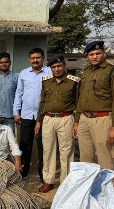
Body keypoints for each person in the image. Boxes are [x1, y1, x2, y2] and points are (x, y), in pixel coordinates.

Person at [73, 41, 114, 169]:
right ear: (87, 57)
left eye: (98, 53)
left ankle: (106, 189)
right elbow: (81, 99)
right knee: (85, 160)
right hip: (84, 119)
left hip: (102, 119)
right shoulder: (86, 73)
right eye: (91, 54)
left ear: (104, 54)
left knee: (104, 159)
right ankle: (89, 188)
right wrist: (77, 121)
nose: (94, 57)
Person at [34, 55, 80, 193]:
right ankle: (48, 180)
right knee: (48, 150)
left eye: (59, 66)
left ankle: (66, 181)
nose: (57, 69)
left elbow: (78, 103)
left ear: (64, 65)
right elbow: (42, 103)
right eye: (53, 67)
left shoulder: (74, 82)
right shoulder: (46, 81)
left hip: (66, 118)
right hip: (48, 119)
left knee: (66, 151)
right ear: (50, 69)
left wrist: (76, 122)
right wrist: (38, 121)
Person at [13, 48, 51, 179]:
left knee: (43, 145)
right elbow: (19, 93)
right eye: (33, 58)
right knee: (24, 144)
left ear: (43, 58)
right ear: (29, 59)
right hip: (26, 115)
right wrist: (16, 112)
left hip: (44, 116)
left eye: (38, 58)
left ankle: (43, 172)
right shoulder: (23, 73)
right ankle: (24, 170)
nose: (35, 60)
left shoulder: (50, 72)